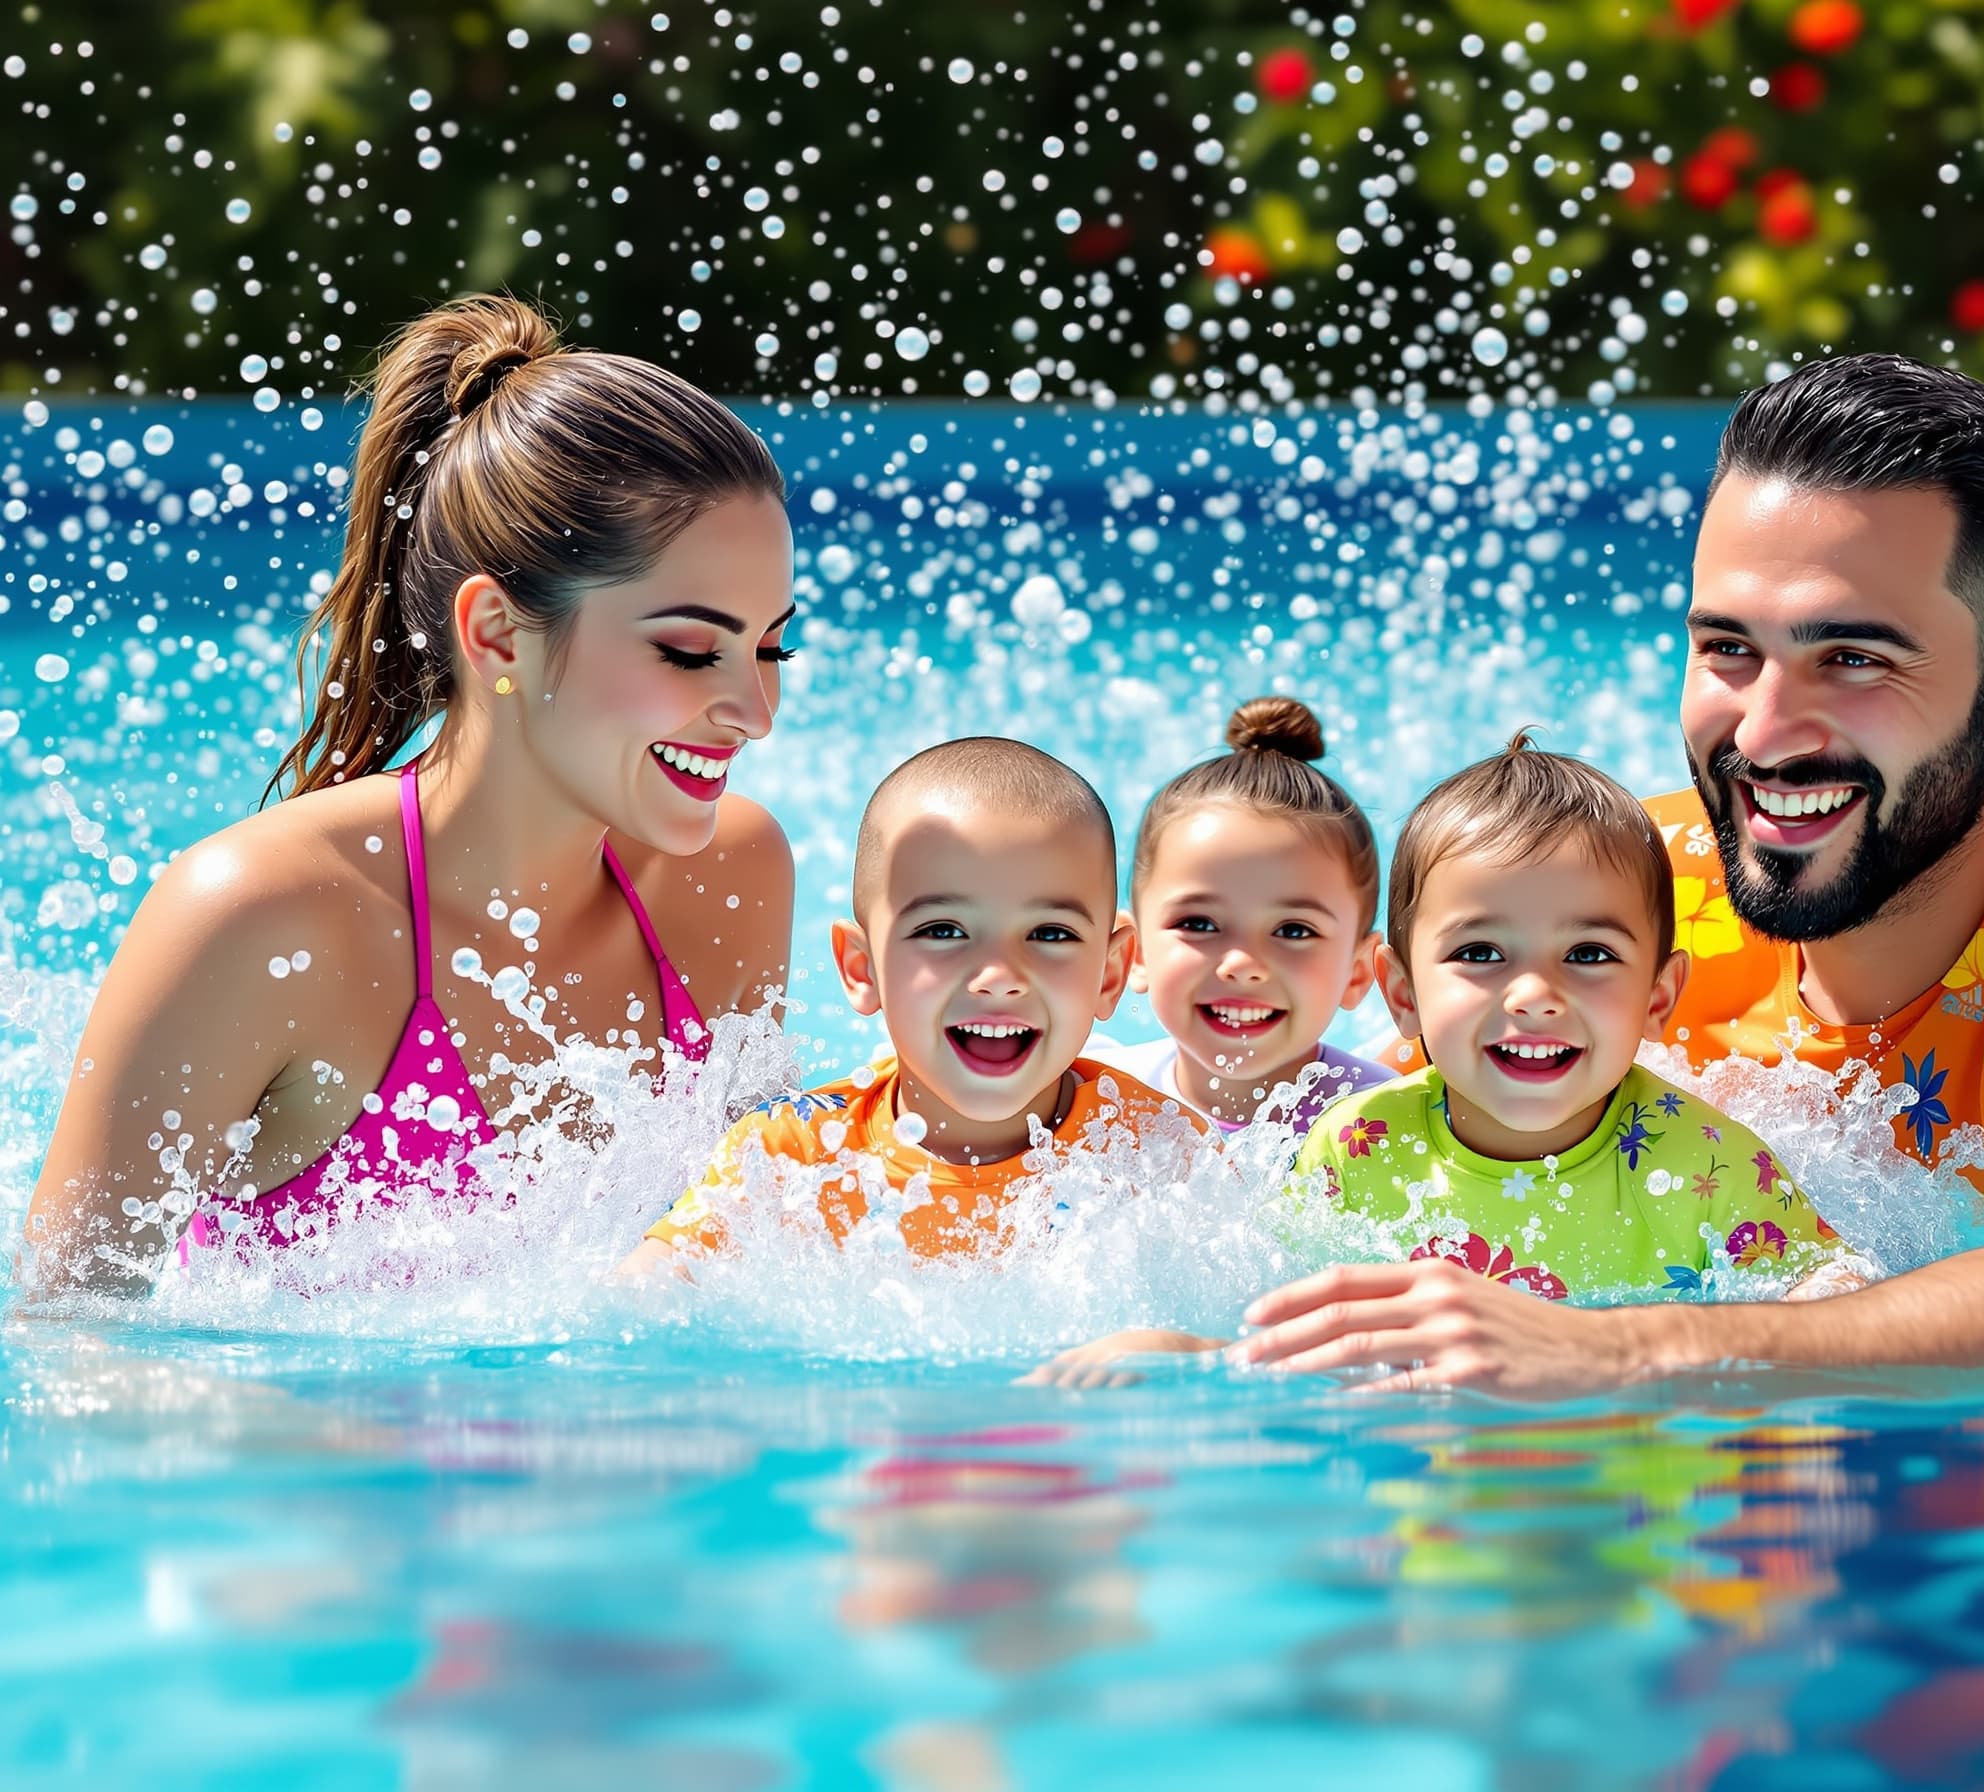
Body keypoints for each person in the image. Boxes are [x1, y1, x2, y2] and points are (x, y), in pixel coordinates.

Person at [1240, 354, 1984, 1395]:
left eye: (1853, 658)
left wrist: (1622, 1347)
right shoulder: (1630, 899)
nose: (1766, 737)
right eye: (1729, 650)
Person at [24, 294, 796, 1290]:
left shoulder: (730, 875)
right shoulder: (264, 920)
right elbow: (70, 1339)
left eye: (773, 644)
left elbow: (761, 1248)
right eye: (691, 650)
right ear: (497, 635)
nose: (755, 709)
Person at [1295, 735, 1847, 1298]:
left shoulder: (1709, 1168)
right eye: (1480, 953)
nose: (1535, 995)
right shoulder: (1358, 1148)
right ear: (1403, 994)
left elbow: (1837, 1306)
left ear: (1657, 999)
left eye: (1588, 955)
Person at [626, 739, 1195, 1271]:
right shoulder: (789, 1157)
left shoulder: (1163, 1155)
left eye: (1050, 934)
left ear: (1110, 973)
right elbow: (635, 1307)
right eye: (944, 931)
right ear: (861, 968)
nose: (999, 977)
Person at [1100, 695, 1391, 1134]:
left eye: (1294, 929)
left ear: (1357, 972)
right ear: (1135, 955)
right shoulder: (1100, 1106)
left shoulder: (1384, 1124)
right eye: (1198, 924)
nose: (1242, 965)